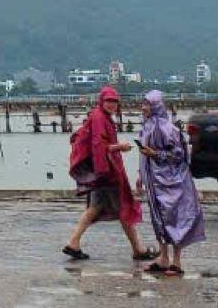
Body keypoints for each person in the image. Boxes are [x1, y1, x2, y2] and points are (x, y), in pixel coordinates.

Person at [63, 86, 155, 262]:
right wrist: (119, 147)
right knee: (123, 206)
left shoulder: (101, 116)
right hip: (106, 171)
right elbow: (98, 146)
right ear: (101, 101)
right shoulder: (99, 118)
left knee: (95, 207)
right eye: (109, 101)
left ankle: (73, 242)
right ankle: (138, 249)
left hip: (103, 170)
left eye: (115, 101)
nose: (112, 104)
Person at [136, 90, 204, 275]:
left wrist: (156, 154)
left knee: (174, 217)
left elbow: (179, 155)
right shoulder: (147, 125)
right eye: (143, 104)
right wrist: (141, 174)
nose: (143, 108)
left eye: (147, 104)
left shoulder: (167, 128)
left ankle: (177, 262)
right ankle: (163, 258)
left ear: (156, 106)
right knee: (158, 218)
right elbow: (144, 153)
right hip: (154, 180)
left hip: (171, 181)